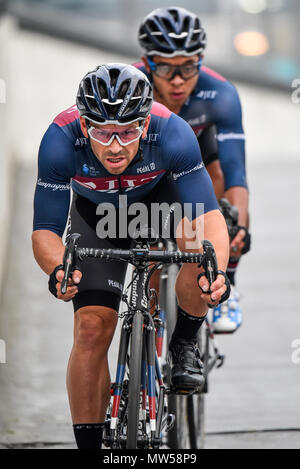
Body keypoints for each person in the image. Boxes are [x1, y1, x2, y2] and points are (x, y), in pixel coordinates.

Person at [32, 63, 230, 449]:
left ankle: (185, 341)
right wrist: (60, 268)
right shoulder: (58, 140)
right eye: (103, 132)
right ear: (85, 127)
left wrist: (216, 270)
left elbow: (208, 218)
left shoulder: (173, 133)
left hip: (161, 205)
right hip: (97, 219)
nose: (116, 145)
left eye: (128, 131)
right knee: (90, 328)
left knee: (197, 252)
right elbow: (45, 231)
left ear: (145, 122)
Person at [136, 6, 251, 333]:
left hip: (201, 153)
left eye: (188, 68)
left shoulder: (221, 94)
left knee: (227, 197)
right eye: (166, 68)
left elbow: (236, 172)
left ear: (200, 61)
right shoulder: (131, 87)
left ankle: (225, 281)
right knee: (152, 247)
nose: (177, 81)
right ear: (147, 64)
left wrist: (237, 226)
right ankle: (148, 336)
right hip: (151, 158)